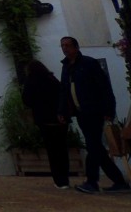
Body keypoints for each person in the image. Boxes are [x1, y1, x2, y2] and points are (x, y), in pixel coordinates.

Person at [57, 36, 130, 194]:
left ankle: (92, 181)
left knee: (92, 145)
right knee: (96, 147)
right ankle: (118, 181)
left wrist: (109, 110)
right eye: (62, 45)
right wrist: (63, 111)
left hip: (94, 111)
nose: (64, 48)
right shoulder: (66, 67)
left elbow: (104, 87)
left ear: (76, 47)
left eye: (67, 45)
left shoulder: (89, 63)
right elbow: (64, 90)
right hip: (81, 113)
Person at [21, 59, 69, 189]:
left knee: (52, 150)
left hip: (45, 119)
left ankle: (59, 180)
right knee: (62, 149)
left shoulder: (31, 80)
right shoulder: (52, 79)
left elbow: (26, 99)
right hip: (60, 119)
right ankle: (65, 179)